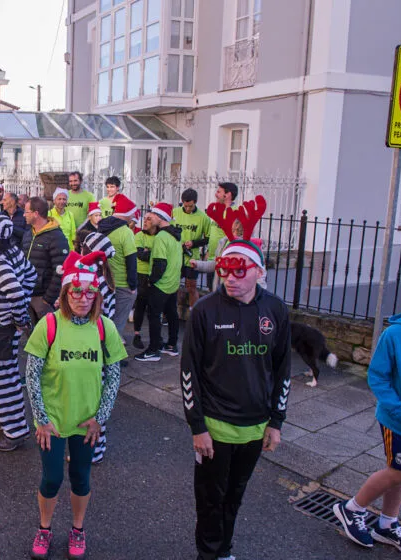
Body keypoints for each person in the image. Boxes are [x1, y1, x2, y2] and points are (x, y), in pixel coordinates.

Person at [181, 212, 290, 560]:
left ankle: (224, 549)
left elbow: (282, 368)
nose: (229, 278)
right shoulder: (204, 310)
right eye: (224, 270)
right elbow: (188, 372)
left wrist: (276, 422)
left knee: (235, 494)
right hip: (214, 427)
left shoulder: (275, 309)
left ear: (259, 271)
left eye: (239, 271)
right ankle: (208, 553)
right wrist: (197, 427)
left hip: (255, 426)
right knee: (209, 498)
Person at [24, 251, 126, 560]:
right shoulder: (49, 325)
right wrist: (41, 419)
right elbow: (32, 374)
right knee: (52, 477)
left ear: (97, 295)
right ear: (65, 294)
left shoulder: (105, 327)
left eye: (89, 292)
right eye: (76, 292)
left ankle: (78, 529)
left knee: (81, 477)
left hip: (87, 421)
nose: (83, 299)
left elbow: (114, 376)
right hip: (53, 419)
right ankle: (44, 528)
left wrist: (100, 418)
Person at [334, 310, 401, 553]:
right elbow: (378, 377)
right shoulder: (395, 334)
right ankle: (352, 508)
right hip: (399, 421)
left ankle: (387, 524)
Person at [0, 215, 37, 451]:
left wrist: (19, 318)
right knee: (9, 375)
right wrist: (19, 315)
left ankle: (14, 432)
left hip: (0, 327)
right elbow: (31, 276)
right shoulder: (15, 253)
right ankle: (13, 423)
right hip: (4, 327)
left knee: (4, 379)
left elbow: (16, 293)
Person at [79, 233, 117, 464]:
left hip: (94, 343)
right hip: (103, 342)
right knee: (98, 395)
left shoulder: (94, 280)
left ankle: (92, 451)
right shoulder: (106, 277)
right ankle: (97, 447)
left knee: (92, 398)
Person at [134, 203, 183, 362]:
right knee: (172, 313)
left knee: (154, 316)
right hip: (173, 283)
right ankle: (172, 345)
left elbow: (160, 263)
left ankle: (153, 350)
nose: (149, 217)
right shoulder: (175, 234)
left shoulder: (161, 237)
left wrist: (151, 280)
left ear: (160, 217)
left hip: (161, 284)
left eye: (152, 214)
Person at [96, 194, 139, 344]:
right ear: (126, 213)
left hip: (104, 281)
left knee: (105, 318)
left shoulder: (102, 228)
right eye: (132, 213)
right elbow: (131, 261)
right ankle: (112, 352)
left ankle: (101, 345)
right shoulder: (126, 232)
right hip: (122, 283)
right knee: (118, 322)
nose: (133, 217)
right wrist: (133, 286)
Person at [22, 196, 69, 325]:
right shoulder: (28, 234)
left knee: (49, 333)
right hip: (26, 295)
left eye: (26, 211)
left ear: (36, 213)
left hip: (43, 298)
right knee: (30, 334)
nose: (24, 215)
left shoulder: (56, 237)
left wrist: (48, 299)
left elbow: (60, 270)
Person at [172, 188, 212, 314]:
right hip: (176, 255)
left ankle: (193, 314)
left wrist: (194, 243)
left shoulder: (203, 218)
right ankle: (171, 312)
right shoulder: (175, 212)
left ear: (195, 202)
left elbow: (208, 238)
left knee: (191, 287)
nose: (188, 209)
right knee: (173, 285)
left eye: (190, 206)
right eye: (185, 206)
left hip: (192, 257)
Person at [131, 216, 155, 350]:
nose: (145, 222)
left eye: (149, 219)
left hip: (155, 274)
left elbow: (164, 255)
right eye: (144, 219)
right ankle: (137, 334)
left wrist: (148, 251)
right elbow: (141, 255)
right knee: (140, 305)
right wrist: (153, 253)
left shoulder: (161, 236)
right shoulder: (139, 236)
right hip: (141, 274)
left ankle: (155, 337)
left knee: (153, 308)